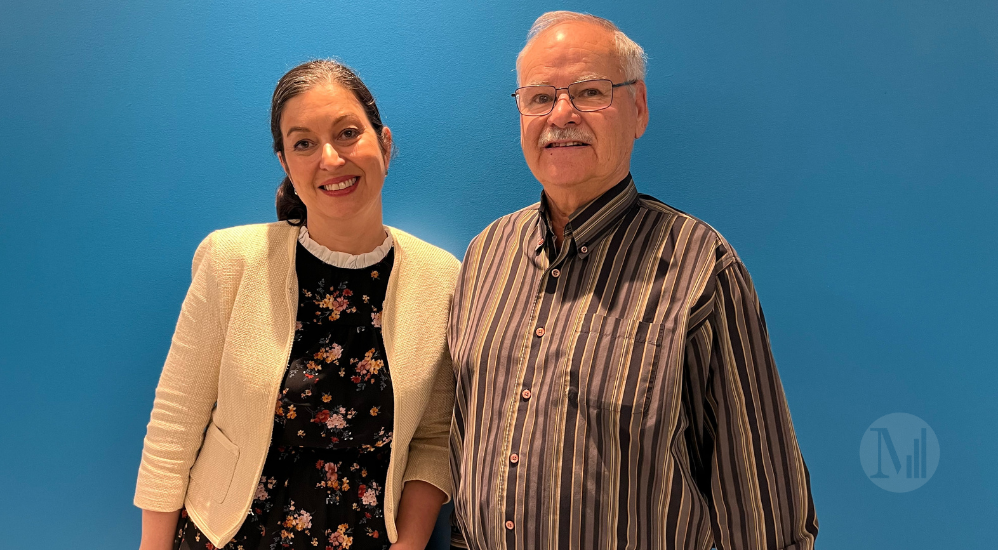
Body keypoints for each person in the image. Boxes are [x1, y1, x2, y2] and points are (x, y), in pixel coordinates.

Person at [449, 11, 818, 550]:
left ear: (638, 108)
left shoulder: (702, 267)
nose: (561, 114)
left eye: (590, 92)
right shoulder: (486, 255)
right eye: (539, 97)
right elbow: (462, 440)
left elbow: (760, 493)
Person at [135, 59, 458, 550]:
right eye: (303, 142)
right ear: (285, 162)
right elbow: (175, 421)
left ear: (385, 144)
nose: (330, 158)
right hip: (226, 536)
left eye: (348, 133)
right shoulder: (231, 261)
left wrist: (411, 544)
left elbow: (435, 436)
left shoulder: (442, 279)